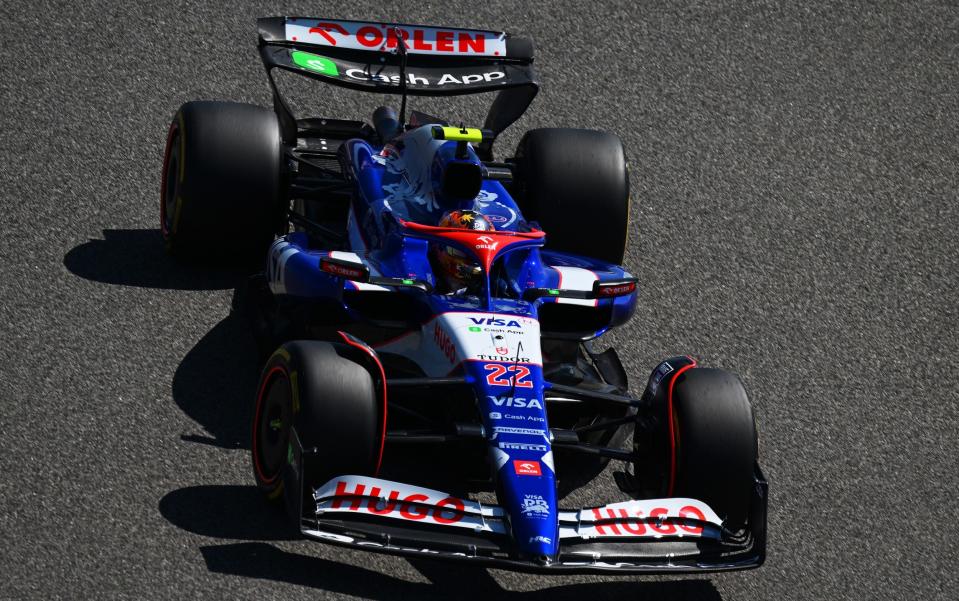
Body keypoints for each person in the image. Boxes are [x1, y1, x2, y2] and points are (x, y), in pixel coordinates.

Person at [432, 210, 495, 293]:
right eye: (464, 249)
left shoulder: (495, 285)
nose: (471, 255)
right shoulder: (426, 275)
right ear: (441, 246)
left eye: (478, 248)